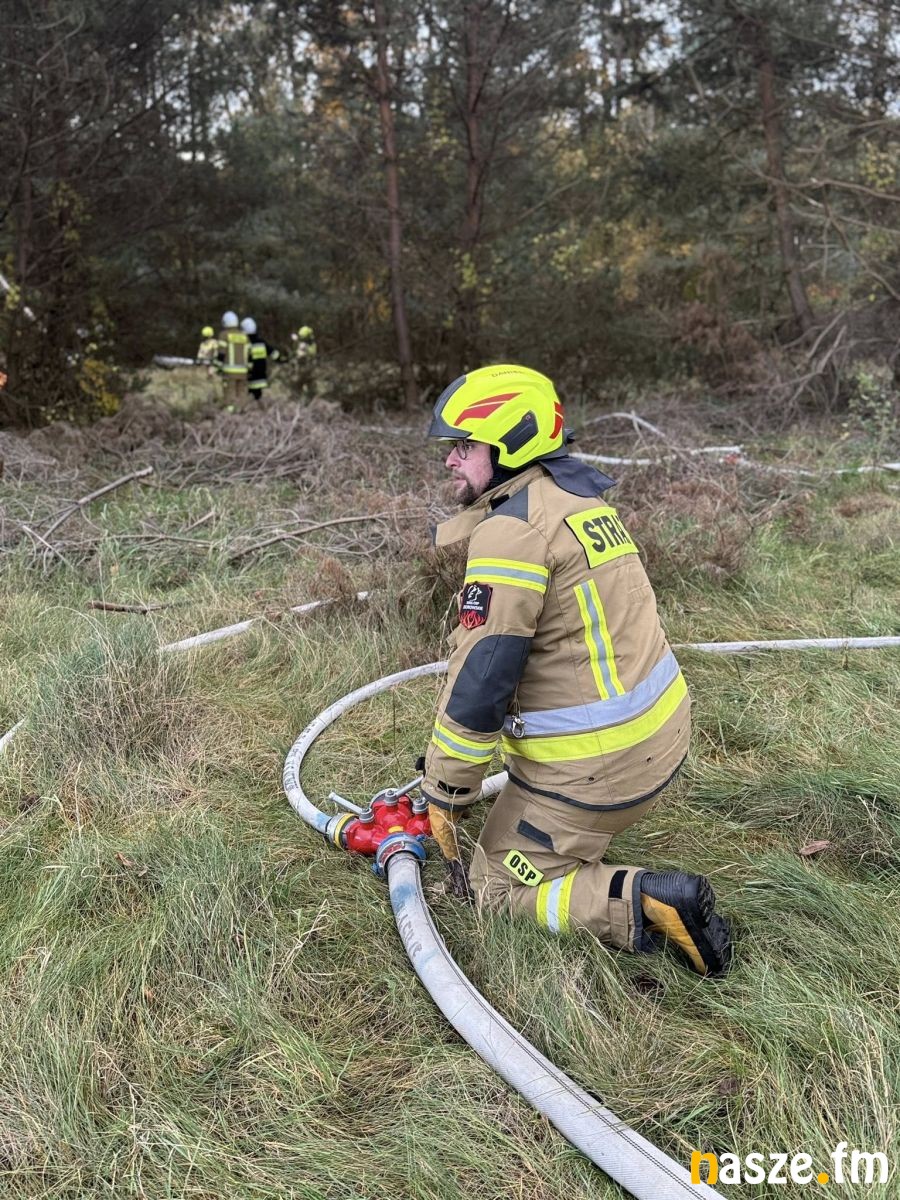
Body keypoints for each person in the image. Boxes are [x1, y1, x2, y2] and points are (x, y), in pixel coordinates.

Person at [421, 363, 732, 976]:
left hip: (596, 771)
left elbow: (484, 677)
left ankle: (645, 905)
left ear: (510, 445)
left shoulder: (512, 534)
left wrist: (446, 789)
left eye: (464, 446)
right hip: (662, 739)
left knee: (494, 887)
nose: (450, 460)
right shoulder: (578, 501)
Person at [240, 317, 280, 405]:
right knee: (258, 396)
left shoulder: (245, 344)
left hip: (250, 376)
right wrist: (283, 360)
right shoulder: (262, 342)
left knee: (250, 398)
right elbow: (274, 354)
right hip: (261, 376)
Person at [217, 311, 249, 409]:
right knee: (241, 392)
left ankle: (229, 411)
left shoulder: (224, 335)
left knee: (229, 391)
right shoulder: (245, 336)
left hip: (229, 371)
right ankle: (242, 409)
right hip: (243, 371)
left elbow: (221, 353)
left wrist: (217, 367)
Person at [290, 324, 317, 396]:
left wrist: (297, 342)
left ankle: (298, 396)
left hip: (305, 365)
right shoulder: (309, 342)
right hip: (308, 366)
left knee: (299, 381)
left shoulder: (307, 345)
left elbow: (301, 355)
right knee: (309, 382)